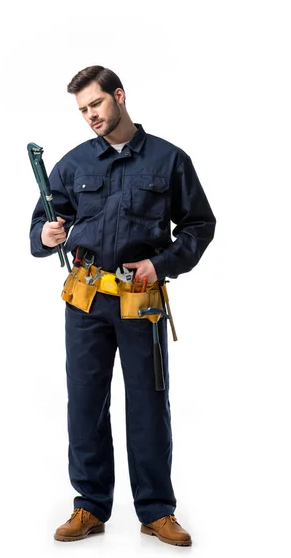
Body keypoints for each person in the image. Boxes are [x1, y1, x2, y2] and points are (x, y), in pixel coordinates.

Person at [29, 66, 216, 546]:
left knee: (149, 406)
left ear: (119, 96)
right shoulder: (71, 165)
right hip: (86, 298)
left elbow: (199, 225)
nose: (91, 115)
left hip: (141, 300)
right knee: (85, 405)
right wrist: (47, 235)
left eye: (96, 104)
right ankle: (90, 506)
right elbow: (41, 228)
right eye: (83, 110)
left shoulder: (169, 160)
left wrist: (163, 262)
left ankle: (156, 511)